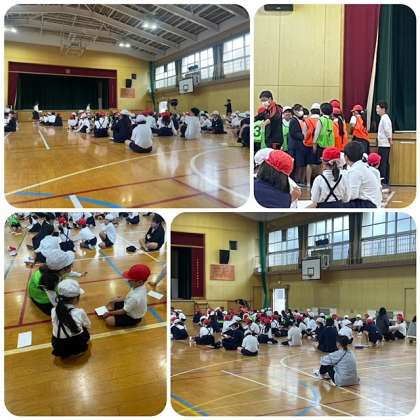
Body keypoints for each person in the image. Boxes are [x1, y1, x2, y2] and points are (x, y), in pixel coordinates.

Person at [28, 249, 76, 315]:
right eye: (71, 265)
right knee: (57, 312)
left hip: (38, 292)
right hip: (41, 299)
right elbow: (54, 301)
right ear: (64, 269)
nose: (72, 266)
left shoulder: (52, 270)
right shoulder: (49, 281)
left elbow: (67, 274)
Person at [51, 279, 90, 358]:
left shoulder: (54, 310)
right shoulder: (79, 312)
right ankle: (77, 351)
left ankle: (67, 353)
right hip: (76, 344)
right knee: (85, 329)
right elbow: (88, 325)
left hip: (59, 345)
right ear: (75, 298)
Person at [343, 141, 382, 208]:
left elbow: (352, 195)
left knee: (337, 205)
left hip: (368, 204)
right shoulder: (361, 166)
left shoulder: (356, 170)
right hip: (371, 203)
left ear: (346, 157)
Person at [288, 104, 306, 184]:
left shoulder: (297, 120)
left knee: (297, 164)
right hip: (294, 146)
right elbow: (294, 133)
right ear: (295, 111)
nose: (301, 112)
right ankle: (294, 180)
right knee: (294, 164)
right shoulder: (293, 121)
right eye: (299, 110)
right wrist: (304, 136)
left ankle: (296, 180)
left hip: (296, 146)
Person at [376, 101, 393, 186]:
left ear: (383, 109)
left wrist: (390, 140)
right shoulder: (383, 118)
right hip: (382, 144)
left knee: (383, 163)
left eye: (378, 108)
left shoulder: (385, 118)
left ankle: (384, 181)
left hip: (384, 144)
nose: (377, 110)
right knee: (383, 162)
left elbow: (387, 130)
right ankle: (384, 180)